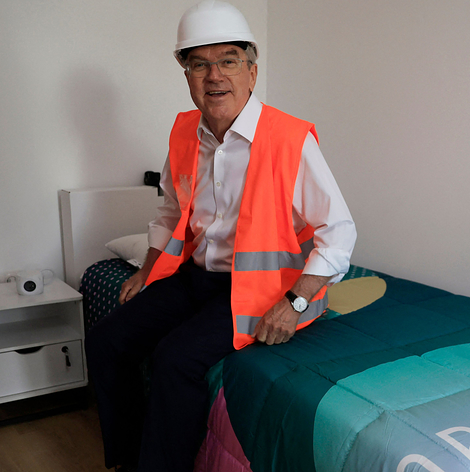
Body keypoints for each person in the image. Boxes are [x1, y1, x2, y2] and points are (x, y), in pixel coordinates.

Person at [84, 1, 356, 471]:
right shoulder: (185, 132)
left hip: (264, 289)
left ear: (252, 70)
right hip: (198, 279)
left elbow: (340, 232)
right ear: (185, 73)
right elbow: (171, 211)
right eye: (199, 63)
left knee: (176, 359)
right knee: (108, 340)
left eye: (228, 59)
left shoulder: (289, 140)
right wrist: (148, 269)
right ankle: (128, 458)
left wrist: (294, 304)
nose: (215, 76)